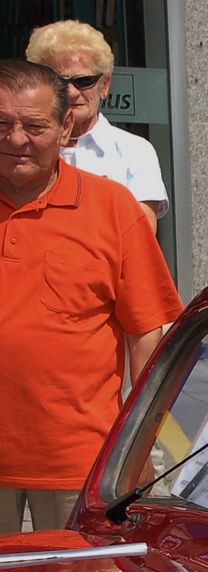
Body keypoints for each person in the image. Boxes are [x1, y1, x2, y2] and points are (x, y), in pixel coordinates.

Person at [0, 59, 181, 535]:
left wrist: (141, 447)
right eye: (2, 124)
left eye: (33, 126)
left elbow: (147, 335)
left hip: (79, 466)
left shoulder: (113, 209)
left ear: (65, 127)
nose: (16, 139)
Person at [26, 21, 168, 220]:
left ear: (104, 86)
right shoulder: (22, 147)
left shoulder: (134, 151)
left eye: (84, 81)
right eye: (59, 82)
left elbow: (140, 234)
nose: (72, 92)